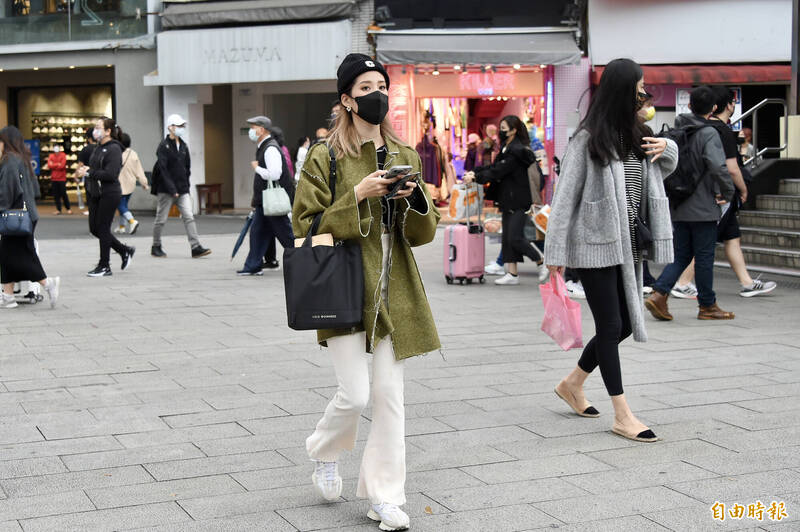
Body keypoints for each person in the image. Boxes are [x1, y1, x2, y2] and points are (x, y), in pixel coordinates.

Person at [294, 53, 440, 532]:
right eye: (365, 88)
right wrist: (357, 196)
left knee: (389, 396)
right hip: (343, 285)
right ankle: (325, 449)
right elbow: (302, 225)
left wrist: (412, 198)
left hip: (393, 287)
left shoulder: (406, 154)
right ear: (346, 100)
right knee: (355, 395)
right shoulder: (324, 156)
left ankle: (385, 496)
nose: (376, 94)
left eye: (381, 84)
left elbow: (423, 234)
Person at [545, 58, 678, 443]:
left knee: (620, 325)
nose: (644, 94)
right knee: (610, 325)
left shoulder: (640, 136)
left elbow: (664, 170)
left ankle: (573, 382)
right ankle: (623, 414)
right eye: (639, 87)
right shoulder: (588, 139)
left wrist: (666, 146)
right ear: (624, 91)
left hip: (629, 246)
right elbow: (565, 196)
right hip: (594, 245)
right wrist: (554, 252)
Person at [670, 88, 777, 299]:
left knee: (732, 237)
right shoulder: (721, 131)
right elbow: (730, 168)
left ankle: (746, 282)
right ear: (726, 105)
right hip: (718, 196)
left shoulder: (699, 127)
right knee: (704, 244)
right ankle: (683, 283)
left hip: (700, 196)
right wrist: (740, 190)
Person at [646, 86, 736, 321]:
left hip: (678, 203)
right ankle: (708, 305)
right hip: (703, 206)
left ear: (688, 105)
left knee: (682, 253)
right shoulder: (708, 133)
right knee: (705, 256)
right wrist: (728, 191)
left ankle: (659, 293)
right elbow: (718, 166)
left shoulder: (677, 130)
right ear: (714, 108)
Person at [464, 115, 541, 285]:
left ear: (514, 130)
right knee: (507, 237)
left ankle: (541, 261)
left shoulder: (517, 151)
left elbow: (499, 170)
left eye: (504, 128)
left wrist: (476, 176)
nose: (501, 131)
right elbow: (493, 167)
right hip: (508, 199)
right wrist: (475, 172)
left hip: (518, 200)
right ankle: (512, 274)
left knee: (515, 237)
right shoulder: (507, 148)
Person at [0, 126, 60, 309]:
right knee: (9, 255)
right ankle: (8, 296)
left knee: (22, 256)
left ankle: (48, 283)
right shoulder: (23, 159)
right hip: (27, 215)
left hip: (15, 217)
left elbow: (7, 191)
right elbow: (35, 190)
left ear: (6, 142)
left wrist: (1, 208)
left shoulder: (9, 161)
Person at [75, 117, 135, 277]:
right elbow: (95, 168)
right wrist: (87, 169)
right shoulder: (97, 148)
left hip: (109, 193)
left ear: (108, 131)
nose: (95, 130)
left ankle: (104, 265)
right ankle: (124, 250)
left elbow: (111, 174)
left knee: (102, 228)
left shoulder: (114, 149)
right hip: (96, 193)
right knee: (95, 229)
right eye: (95, 127)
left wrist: (89, 172)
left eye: (98, 127)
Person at [237, 116, 295, 276]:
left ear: (262, 130)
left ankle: (305, 260)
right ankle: (253, 266)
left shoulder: (270, 148)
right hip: (266, 201)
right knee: (258, 233)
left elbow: (275, 174)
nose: (251, 131)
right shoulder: (265, 146)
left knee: (286, 235)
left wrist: (257, 168)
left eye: (253, 127)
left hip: (272, 200)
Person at [150, 114, 211, 259]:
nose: (182, 128)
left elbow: (187, 167)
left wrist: (185, 185)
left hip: (182, 189)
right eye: (179, 126)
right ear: (170, 127)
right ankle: (156, 245)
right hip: (166, 190)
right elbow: (163, 170)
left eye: (183, 126)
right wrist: (172, 189)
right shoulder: (163, 146)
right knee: (161, 219)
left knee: (189, 216)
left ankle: (195, 247)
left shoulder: (183, 145)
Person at [114, 133, 150, 235]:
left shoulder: (116, 153)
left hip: (119, 185)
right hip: (130, 184)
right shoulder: (133, 154)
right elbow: (139, 170)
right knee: (124, 205)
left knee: (120, 206)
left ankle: (132, 221)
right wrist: (144, 183)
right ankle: (122, 227)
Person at [75, 128, 95, 214]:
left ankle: (92, 210)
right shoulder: (101, 148)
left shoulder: (85, 149)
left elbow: (80, 164)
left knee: (90, 194)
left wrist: (76, 175)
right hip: (100, 175)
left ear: (88, 138)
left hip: (88, 175)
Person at [47, 144, 71, 214]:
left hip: (62, 178)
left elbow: (62, 165)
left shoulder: (63, 155)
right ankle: (58, 209)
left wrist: (54, 164)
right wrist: (58, 164)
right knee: (56, 195)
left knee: (64, 194)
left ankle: (68, 208)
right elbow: (49, 165)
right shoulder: (51, 156)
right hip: (54, 178)